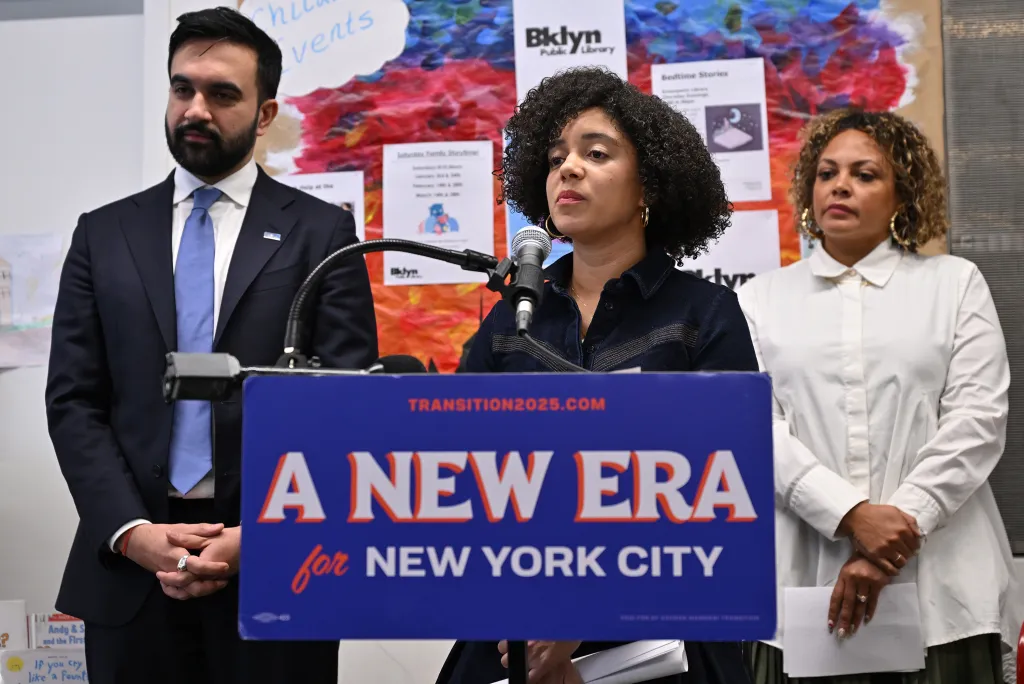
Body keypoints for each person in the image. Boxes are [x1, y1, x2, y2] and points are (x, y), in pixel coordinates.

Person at [44, 7, 377, 683]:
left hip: (279, 567)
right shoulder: (102, 235)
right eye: (182, 88)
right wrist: (131, 533)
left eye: (222, 94)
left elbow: (345, 404)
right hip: (128, 572)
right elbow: (75, 401)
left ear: (264, 114)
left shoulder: (322, 233)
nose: (196, 108)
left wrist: (262, 538)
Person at [435, 66, 757, 684]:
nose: (568, 169)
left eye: (596, 153)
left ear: (649, 188)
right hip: (515, 622)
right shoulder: (511, 318)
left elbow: (722, 492)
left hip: (663, 630)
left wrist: (589, 607)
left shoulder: (703, 313)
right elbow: (452, 469)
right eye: (555, 158)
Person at [736, 108, 1021, 683]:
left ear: (902, 196)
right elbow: (753, 426)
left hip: (944, 588)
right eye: (826, 173)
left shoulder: (954, 283)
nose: (840, 185)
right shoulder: (758, 299)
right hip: (798, 588)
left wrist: (894, 532)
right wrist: (850, 516)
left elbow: (977, 420)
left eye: (865, 174)